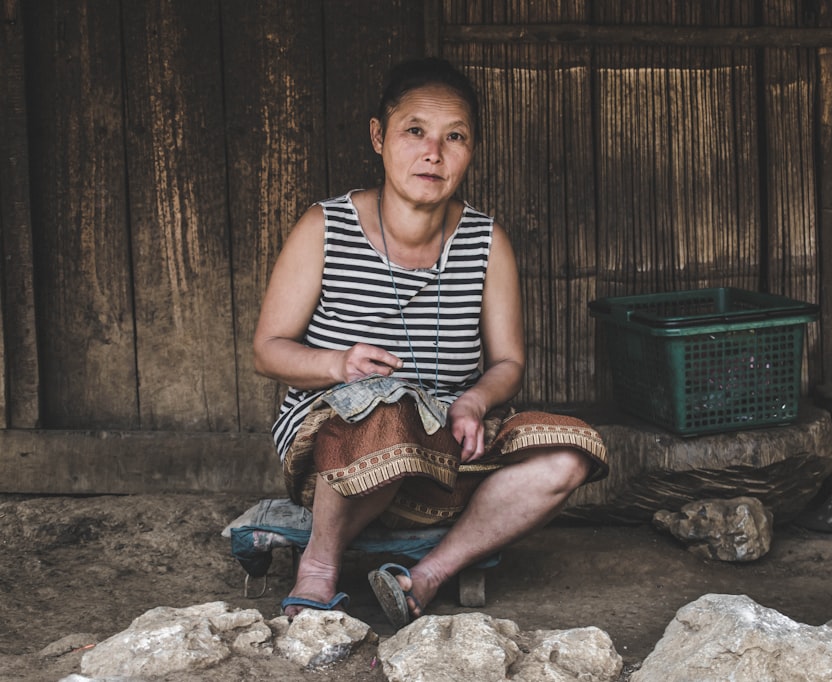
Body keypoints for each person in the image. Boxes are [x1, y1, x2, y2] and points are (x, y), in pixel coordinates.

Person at [253, 56, 609, 627]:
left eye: (455, 137)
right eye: (414, 130)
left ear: (472, 149)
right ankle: (317, 570)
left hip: (444, 446)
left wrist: (473, 401)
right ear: (379, 136)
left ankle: (424, 578)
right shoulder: (325, 227)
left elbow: (509, 361)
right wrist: (338, 364)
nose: (433, 153)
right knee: (386, 407)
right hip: (338, 449)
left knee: (570, 451)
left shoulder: (487, 242)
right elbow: (268, 349)